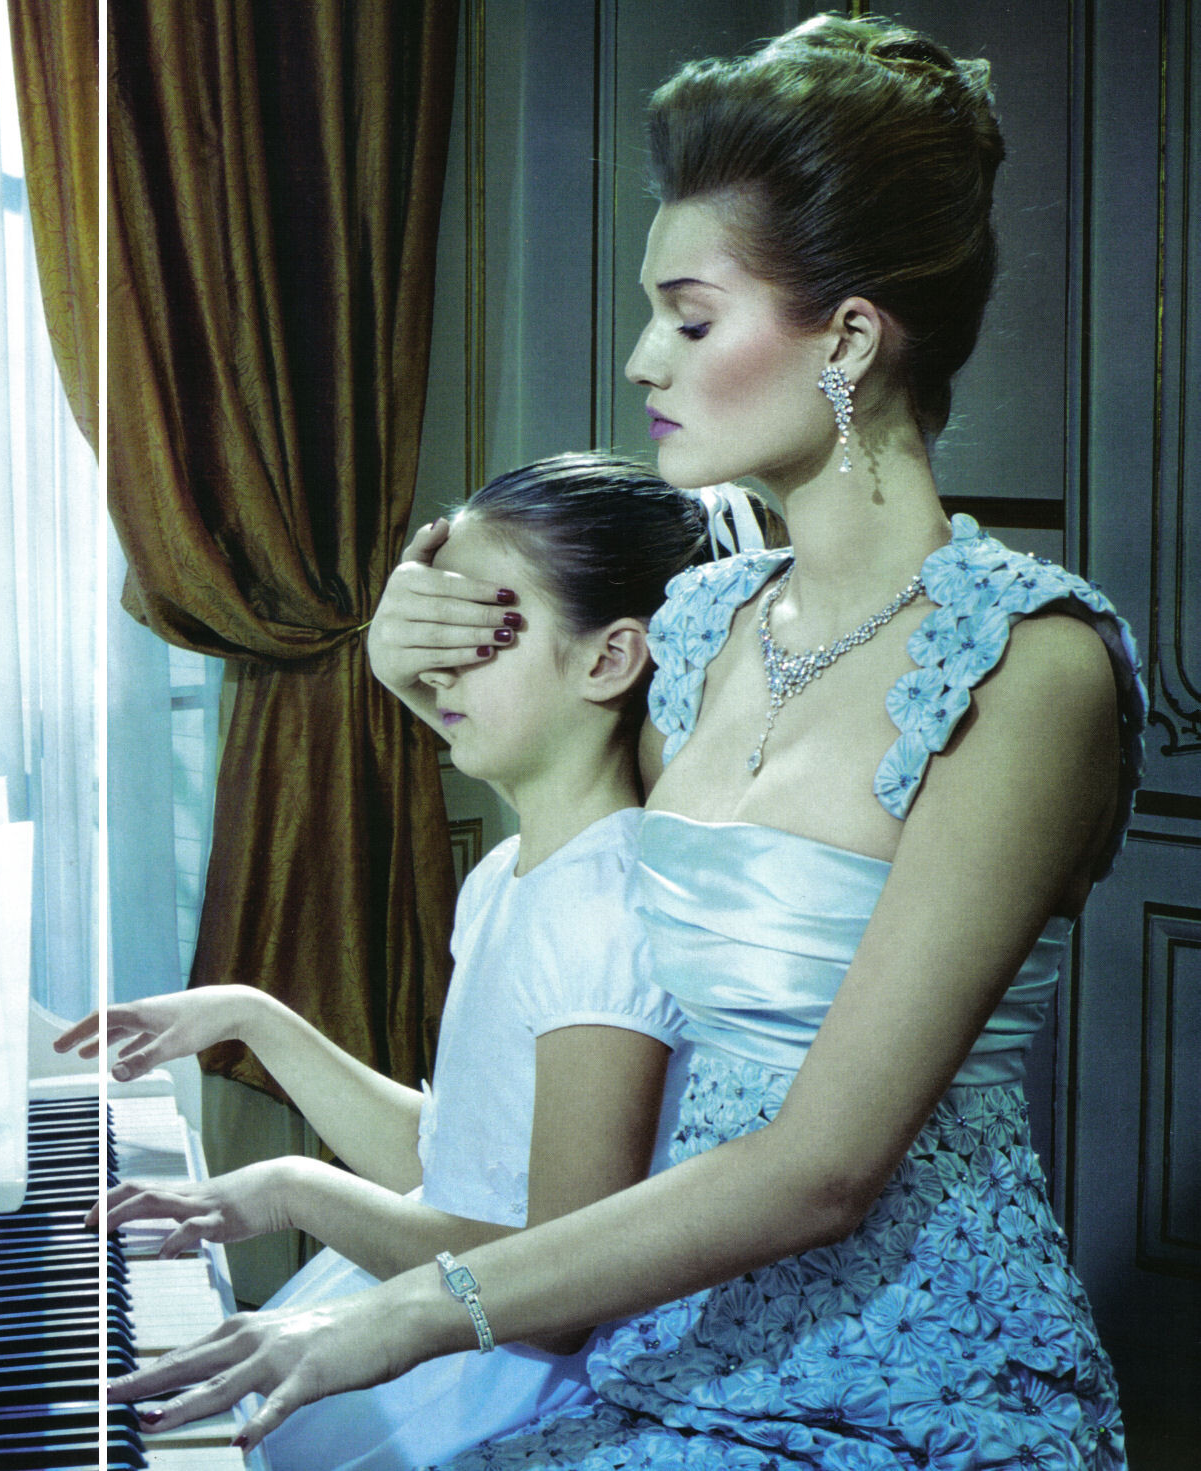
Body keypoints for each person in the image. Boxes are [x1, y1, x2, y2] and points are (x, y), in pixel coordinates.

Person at [110, 15, 1143, 1467]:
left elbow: (823, 1168)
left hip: (904, 1374)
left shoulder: (1029, 667)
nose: (641, 357)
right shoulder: (706, 624)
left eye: (691, 319)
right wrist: (401, 667)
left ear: (846, 339)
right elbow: (568, 867)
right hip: (662, 1332)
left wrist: (412, 1308)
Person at [62, 456, 777, 1470]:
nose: (436, 668)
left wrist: (297, 1189)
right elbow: (455, 1165)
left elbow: (554, 1297)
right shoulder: (510, 875)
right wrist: (254, 1015)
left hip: (503, 1375)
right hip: (450, 1323)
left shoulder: (603, 908)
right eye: (427, 629)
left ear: (610, 658)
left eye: (477, 632)